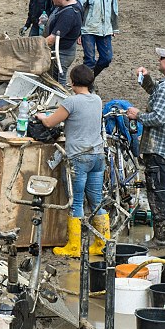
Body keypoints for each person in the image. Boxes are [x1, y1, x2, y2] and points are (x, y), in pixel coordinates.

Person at [35, 65, 108, 258]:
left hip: (79, 157)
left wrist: (41, 116)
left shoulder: (71, 102)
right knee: (96, 201)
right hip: (97, 155)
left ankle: (74, 247)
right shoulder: (97, 99)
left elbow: (51, 122)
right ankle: (102, 244)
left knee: (76, 202)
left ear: (73, 82)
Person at [126, 47, 165, 248]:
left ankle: (160, 238)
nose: (159, 59)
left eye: (162, 58)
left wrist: (138, 116)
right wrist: (146, 79)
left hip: (158, 148)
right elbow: (159, 95)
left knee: (157, 192)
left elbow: (158, 117)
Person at [76, 0, 119, 83]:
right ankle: (88, 85)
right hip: (88, 30)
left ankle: (88, 79)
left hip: (105, 29)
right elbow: (79, 11)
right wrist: (78, 32)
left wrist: (114, 27)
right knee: (89, 60)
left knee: (107, 58)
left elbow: (113, 7)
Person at [44, 0, 82, 86]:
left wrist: (35, 45)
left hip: (61, 54)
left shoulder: (68, 15)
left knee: (57, 83)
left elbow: (52, 39)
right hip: (62, 50)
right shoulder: (73, 3)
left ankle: (62, 101)